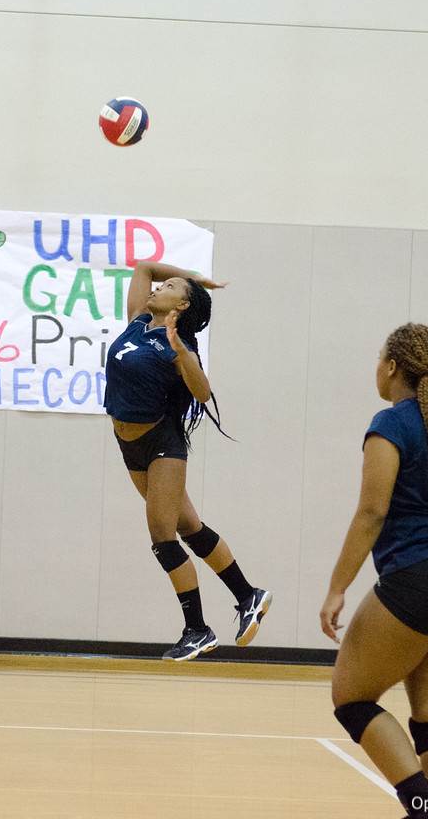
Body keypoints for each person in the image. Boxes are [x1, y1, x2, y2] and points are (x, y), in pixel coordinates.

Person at [321, 323, 428, 819]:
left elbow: (371, 512)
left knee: (352, 698)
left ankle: (426, 809)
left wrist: (337, 589)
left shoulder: (391, 423)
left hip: (422, 575)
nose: (376, 366)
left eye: (379, 357)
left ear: (393, 366)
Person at [104, 261, 271, 662]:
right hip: (129, 444)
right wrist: (199, 280)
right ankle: (249, 594)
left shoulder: (180, 347)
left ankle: (197, 629)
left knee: (163, 537)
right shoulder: (137, 321)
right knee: (189, 527)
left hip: (162, 444)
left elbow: (202, 392)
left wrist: (182, 353)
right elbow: (145, 267)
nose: (158, 288)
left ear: (180, 306)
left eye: (172, 287)